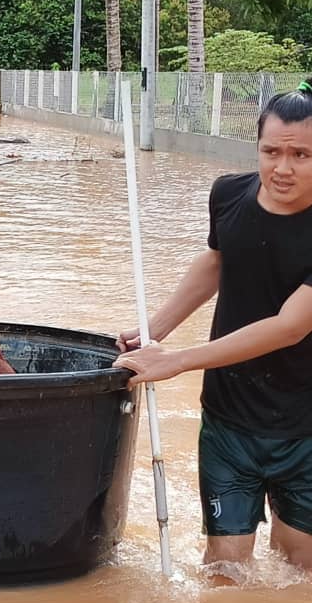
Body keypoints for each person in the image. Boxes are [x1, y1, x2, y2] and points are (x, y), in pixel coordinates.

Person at [114, 80, 312, 572]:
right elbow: (219, 260)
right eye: (271, 151)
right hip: (229, 418)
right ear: (258, 148)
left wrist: (176, 362)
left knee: (300, 563)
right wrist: (155, 329)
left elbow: (290, 326)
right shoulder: (227, 194)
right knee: (225, 567)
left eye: (302, 154)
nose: (282, 168)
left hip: (305, 424)